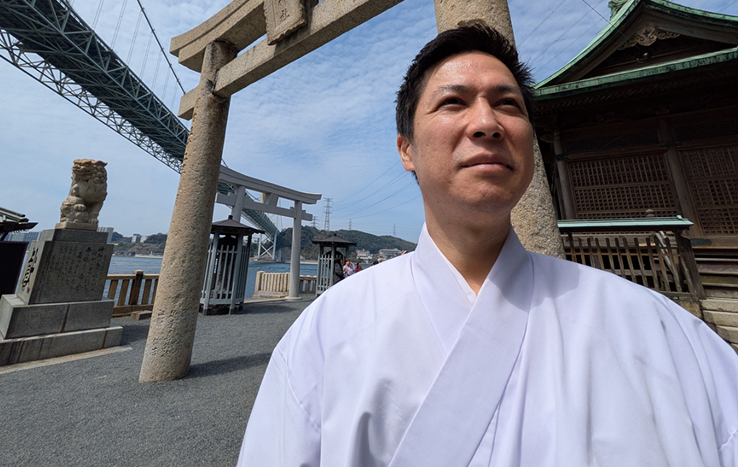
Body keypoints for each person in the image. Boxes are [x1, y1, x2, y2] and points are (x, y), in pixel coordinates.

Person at [237, 25, 738, 466]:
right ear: (405, 149)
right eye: (453, 102)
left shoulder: (657, 328)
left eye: (508, 104)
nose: (487, 123)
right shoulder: (327, 333)